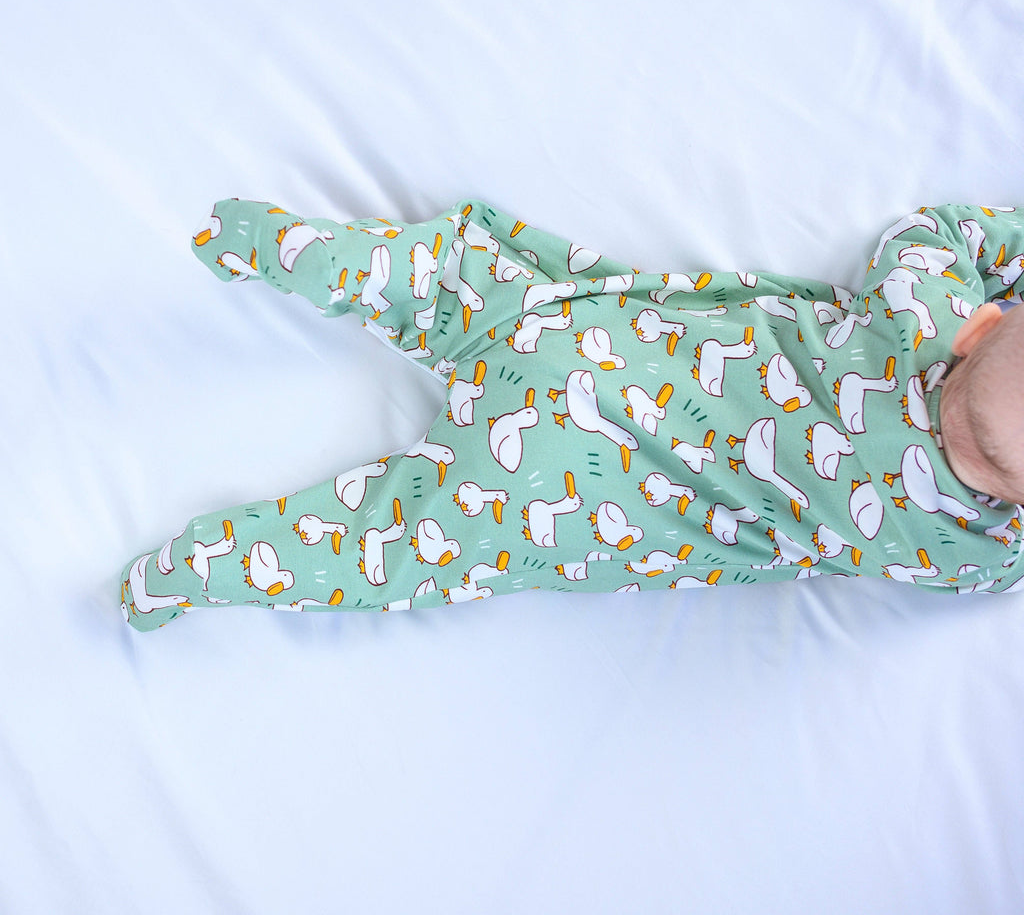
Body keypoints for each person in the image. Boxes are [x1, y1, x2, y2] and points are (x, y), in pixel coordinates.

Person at [120, 199, 1024, 631]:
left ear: (982, 327)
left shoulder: (921, 313)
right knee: (384, 548)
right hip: (562, 490)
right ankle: (201, 568)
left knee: (447, 277)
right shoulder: (970, 551)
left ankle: (312, 253)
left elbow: (940, 233)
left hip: (577, 337)